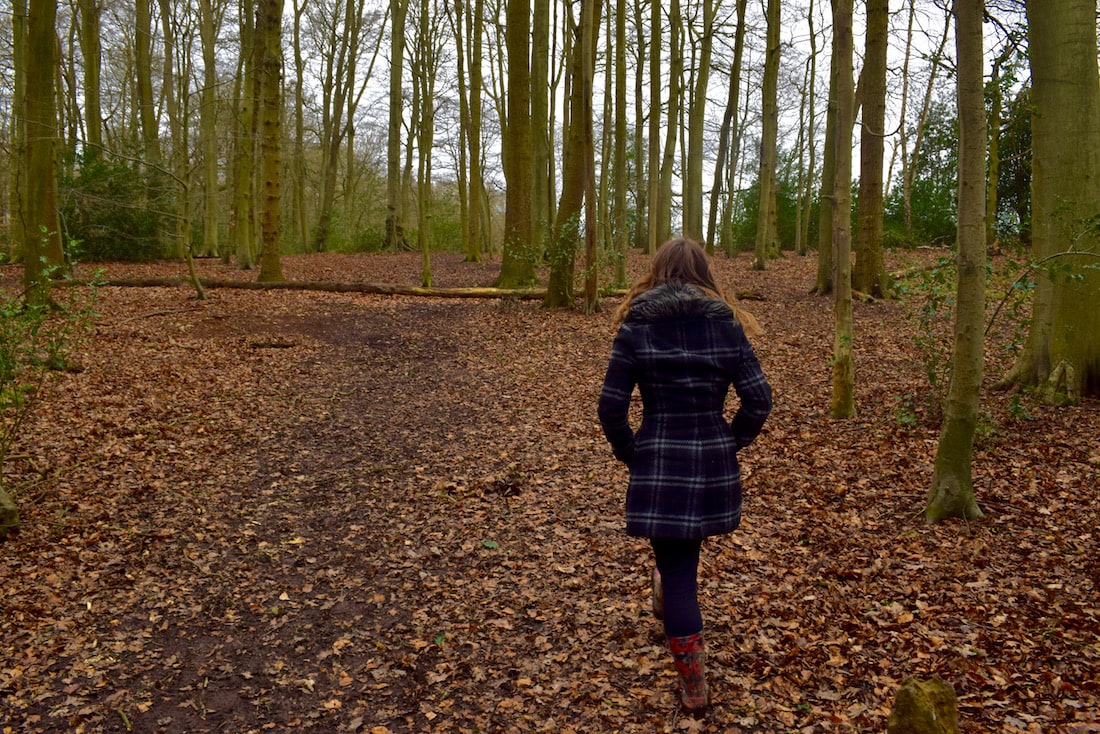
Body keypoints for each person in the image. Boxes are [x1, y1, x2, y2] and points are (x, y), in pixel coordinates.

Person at [597, 237, 772, 715]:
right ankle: (689, 670)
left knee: (678, 572)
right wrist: (728, 441)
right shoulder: (727, 328)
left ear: (657, 272)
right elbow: (759, 401)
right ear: (704, 273)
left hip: (660, 459)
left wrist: (632, 453)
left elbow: (611, 408)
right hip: (708, 461)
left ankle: (695, 685)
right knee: (680, 566)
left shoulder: (637, 327)